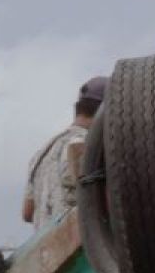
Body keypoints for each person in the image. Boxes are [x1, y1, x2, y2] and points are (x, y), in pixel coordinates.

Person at [22, 75, 107, 234]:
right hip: (84, 249)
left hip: (47, 253)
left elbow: (27, 213)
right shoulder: (88, 146)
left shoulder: (40, 155)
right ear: (106, 111)